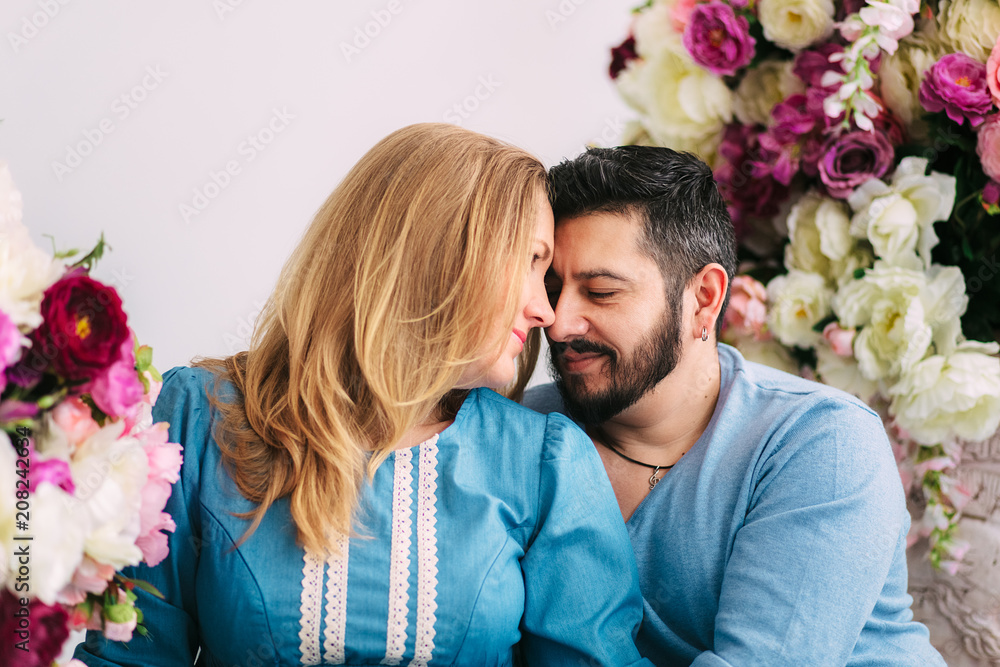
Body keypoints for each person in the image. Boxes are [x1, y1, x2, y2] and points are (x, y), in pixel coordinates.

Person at [74, 124, 652, 667]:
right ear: (437, 252)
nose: (545, 311)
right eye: (530, 262)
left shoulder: (543, 460)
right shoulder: (202, 416)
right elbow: (128, 652)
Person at [524, 145, 946, 666]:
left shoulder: (820, 441)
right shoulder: (521, 429)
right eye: (551, 287)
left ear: (704, 296)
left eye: (602, 292)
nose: (559, 324)